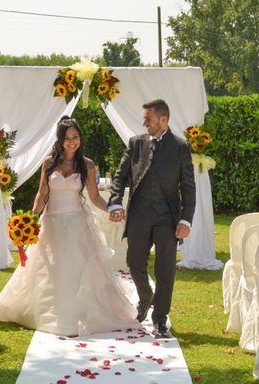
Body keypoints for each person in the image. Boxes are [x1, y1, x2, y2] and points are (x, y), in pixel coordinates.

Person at [0, 116, 138, 336]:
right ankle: (49, 310)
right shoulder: (49, 163)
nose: (72, 142)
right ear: (60, 140)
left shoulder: (87, 165)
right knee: (49, 269)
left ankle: (78, 311)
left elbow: (95, 198)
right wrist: (30, 218)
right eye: (67, 138)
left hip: (78, 223)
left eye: (75, 137)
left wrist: (113, 209)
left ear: (80, 139)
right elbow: (42, 193)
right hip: (52, 223)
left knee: (78, 268)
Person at [108, 99, 196, 339]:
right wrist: (115, 201)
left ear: (163, 120)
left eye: (148, 119)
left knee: (165, 269)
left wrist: (185, 220)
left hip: (168, 218)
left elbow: (188, 188)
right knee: (134, 263)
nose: (144, 122)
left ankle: (160, 320)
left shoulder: (180, 147)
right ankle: (146, 298)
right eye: (144, 118)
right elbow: (120, 175)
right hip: (138, 215)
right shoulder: (136, 143)